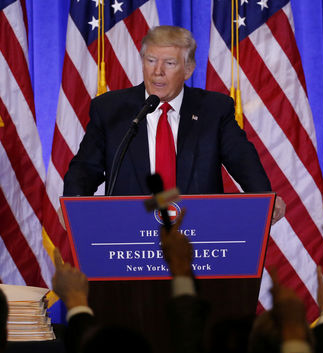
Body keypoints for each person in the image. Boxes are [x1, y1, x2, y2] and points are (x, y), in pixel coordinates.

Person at [63, 25, 285, 223]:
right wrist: (73, 205)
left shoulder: (213, 110)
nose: (157, 71)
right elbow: (85, 168)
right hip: (130, 235)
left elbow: (242, 159)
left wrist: (265, 198)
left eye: (169, 63)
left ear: (188, 70)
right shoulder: (110, 109)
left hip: (196, 233)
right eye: (151, 61)